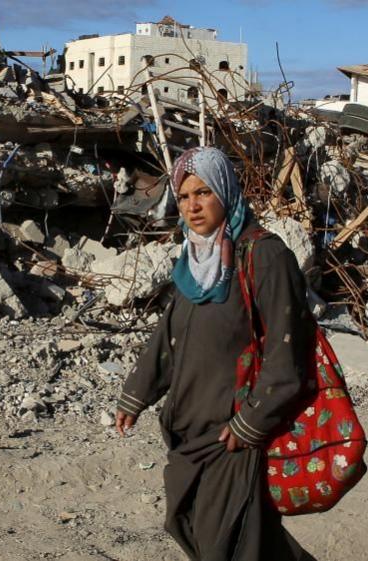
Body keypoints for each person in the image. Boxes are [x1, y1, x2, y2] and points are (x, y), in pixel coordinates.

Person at [115, 147, 317, 561]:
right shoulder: (195, 258)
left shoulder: (264, 255)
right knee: (210, 528)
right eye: (185, 196)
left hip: (233, 434)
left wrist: (252, 421)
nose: (193, 206)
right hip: (189, 428)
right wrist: (137, 394)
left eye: (204, 193)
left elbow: (288, 348)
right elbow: (171, 334)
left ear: (226, 192)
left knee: (225, 543)